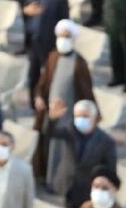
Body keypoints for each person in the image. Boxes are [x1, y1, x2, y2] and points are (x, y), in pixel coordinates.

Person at [32, 19, 94, 178]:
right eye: (60, 36)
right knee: (46, 144)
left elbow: (85, 92)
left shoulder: (79, 63)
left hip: (68, 116)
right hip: (50, 113)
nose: (63, 40)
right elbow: (44, 82)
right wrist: (39, 97)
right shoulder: (53, 57)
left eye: (66, 36)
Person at [23, 0, 68, 90]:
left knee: (50, 75)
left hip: (50, 42)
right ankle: (33, 104)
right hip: (33, 40)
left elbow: (65, 18)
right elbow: (25, 8)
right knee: (33, 75)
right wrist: (26, 10)